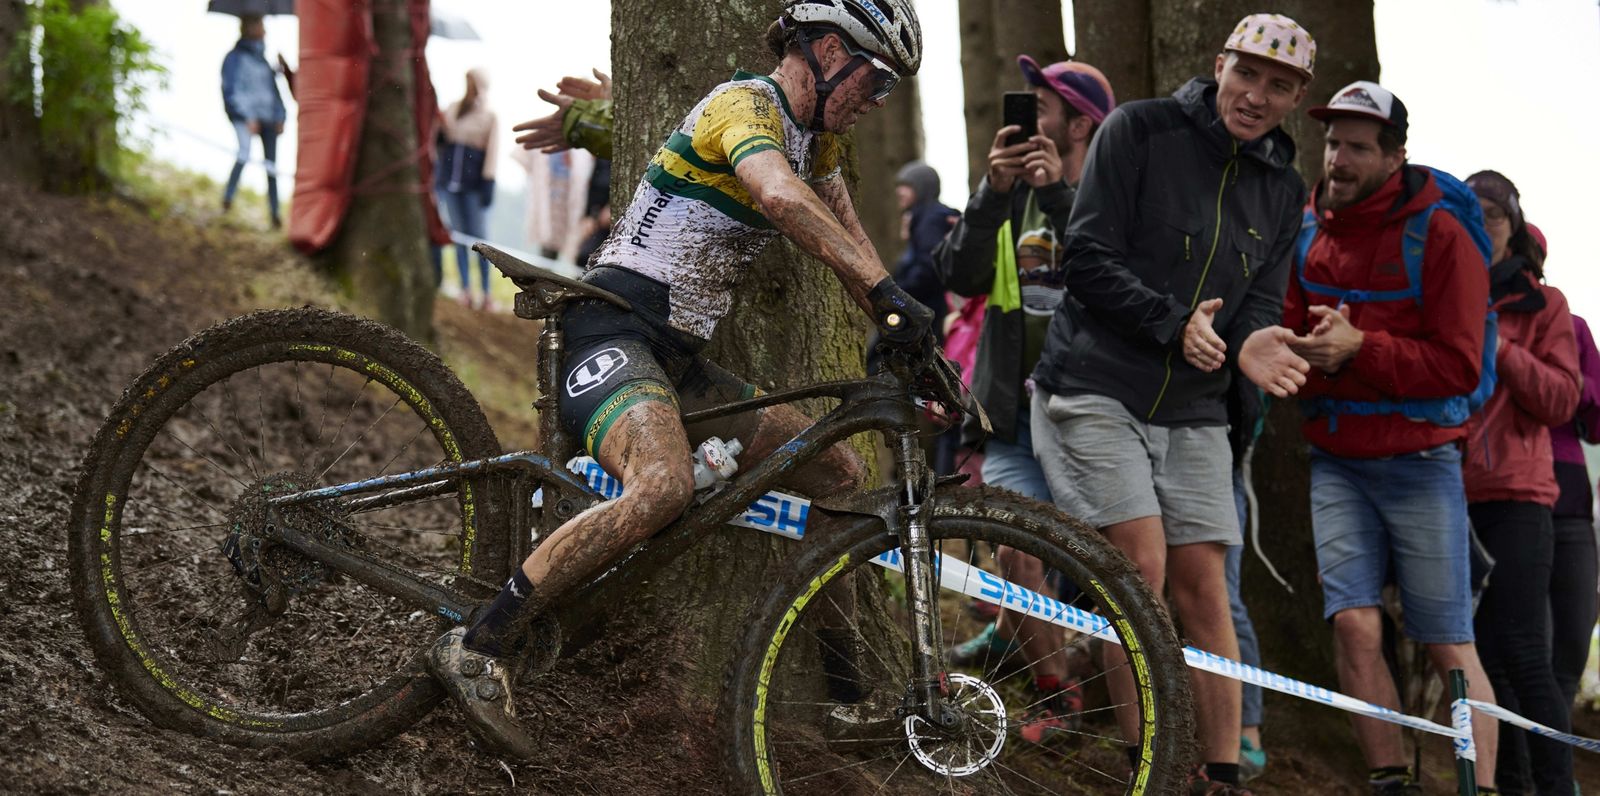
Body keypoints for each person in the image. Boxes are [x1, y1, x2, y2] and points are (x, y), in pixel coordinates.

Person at [423, 0, 927, 759]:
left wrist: (914, 340)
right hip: (612, 331)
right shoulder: (742, 106)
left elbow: (856, 252)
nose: (879, 99)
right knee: (662, 487)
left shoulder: (815, 146)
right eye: (876, 78)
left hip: (678, 364)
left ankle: (849, 699)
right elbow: (779, 199)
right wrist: (888, 300)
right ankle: (478, 644)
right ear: (827, 51)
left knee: (835, 469)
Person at [1030, 15, 1318, 793]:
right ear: (1219, 63)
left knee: (1204, 585)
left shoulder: (1286, 188)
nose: (1256, 95)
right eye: (1247, 74)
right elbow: (1085, 257)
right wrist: (1171, 323)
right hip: (1096, 380)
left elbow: (1259, 301)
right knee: (1139, 563)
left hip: (1197, 406)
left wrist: (1254, 343)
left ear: (1296, 97)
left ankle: (1220, 777)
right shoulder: (1139, 130)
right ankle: (1150, 766)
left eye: (1279, 85)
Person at [1279, 80, 1500, 794]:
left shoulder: (1440, 232)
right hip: (1336, 459)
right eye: (1332, 142)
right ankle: (1388, 781)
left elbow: (1461, 366)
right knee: (1354, 628)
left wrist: (1359, 348)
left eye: (1357, 148)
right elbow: (1289, 345)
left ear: (1396, 156)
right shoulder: (1307, 228)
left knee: (1447, 643)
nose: (1337, 160)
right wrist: (1304, 358)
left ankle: (1480, 787)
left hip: (1421, 462)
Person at [931, 55, 1117, 744]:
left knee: (1105, 562)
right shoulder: (1005, 192)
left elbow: (1113, 272)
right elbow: (955, 272)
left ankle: (1118, 692)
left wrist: (1063, 193)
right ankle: (1053, 694)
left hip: (1095, 408)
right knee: (1017, 554)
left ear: (1080, 122)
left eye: (1042, 105)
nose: (1028, 116)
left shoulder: (1112, 184)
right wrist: (992, 191)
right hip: (1011, 407)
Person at [1461, 171, 1579, 796]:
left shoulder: (1545, 303)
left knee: (1525, 653)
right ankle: (1511, 786)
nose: (1481, 228)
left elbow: (1562, 399)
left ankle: (1558, 787)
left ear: (1513, 226)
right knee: (1478, 656)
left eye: (1493, 216)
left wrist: (1498, 347)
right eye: (1468, 216)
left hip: (1519, 497)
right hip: (1447, 494)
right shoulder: (1442, 291)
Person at [433, 68, 500, 309]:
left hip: (474, 186)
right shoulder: (453, 109)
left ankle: (486, 292)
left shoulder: (489, 117)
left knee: (479, 239)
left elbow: (492, 152)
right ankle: (465, 289)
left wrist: (488, 182)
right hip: (450, 183)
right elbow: (443, 138)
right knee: (459, 237)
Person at [220, 14, 287, 229]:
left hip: (268, 119)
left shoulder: (264, 60)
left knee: (271, 167)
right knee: (244, 153)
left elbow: (272, 92)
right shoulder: (234, 58)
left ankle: (275, 213)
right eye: (260, 26)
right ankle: (227, 200)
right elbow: (231, 91)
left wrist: (280, 115)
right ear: (249, 28)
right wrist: (246, 117)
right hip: (246, 118)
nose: (264, 31)